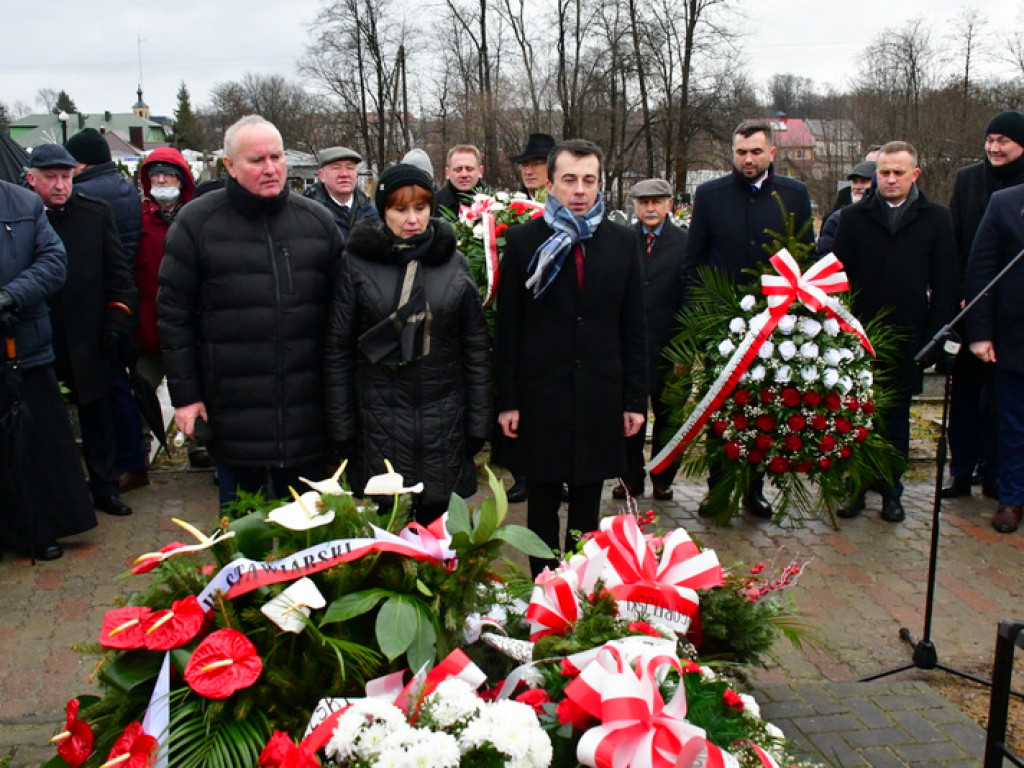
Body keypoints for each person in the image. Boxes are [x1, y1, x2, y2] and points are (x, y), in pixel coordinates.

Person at [158, 115, 345, 507]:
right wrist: (186, 397)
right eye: (256, 160)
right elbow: (174, 317)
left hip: (306, 413)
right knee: (243, 531)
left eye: (276, 156)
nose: (271, 168)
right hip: (233, 412)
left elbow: (341, 315)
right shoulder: (197, 224)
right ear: (229, 165)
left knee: (309, 531)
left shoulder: (317, 222)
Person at [495, 139, 646, 574]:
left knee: (587, 504)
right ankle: (544, 589)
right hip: (541, 394)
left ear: (600, 183)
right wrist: (508, 400)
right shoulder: (524, 241)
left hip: (599, 393)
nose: (580, 190)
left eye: (589, 180)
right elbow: (508, 327)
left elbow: (634, 326)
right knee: (542, 503)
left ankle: (579, 591)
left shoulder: (622, 242)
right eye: (569, 180)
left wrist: (634, 400)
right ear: (550, 184)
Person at [324, 164, 491, 524]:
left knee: (438, 539)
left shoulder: (454, 263)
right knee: (388, 538)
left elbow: (475, 347)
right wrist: (342, 425)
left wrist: (479, 419)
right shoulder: (356, 265)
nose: (412, 219)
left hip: (442, 423)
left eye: (421, 207)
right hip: (378, 424)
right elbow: (338, 350)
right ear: (383, 211)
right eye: (400, 209)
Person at [683, 119, 814, 519]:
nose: (748, 159)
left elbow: (804, 257)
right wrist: (700, 319)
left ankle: (754, 489)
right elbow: (694, 261)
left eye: (756, 151)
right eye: (741, 152)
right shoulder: (710, 195)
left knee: (762, 409)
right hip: (722, 323)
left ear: (772, 152)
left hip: (775, 324)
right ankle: (719, 488)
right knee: (721, 409)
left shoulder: (794, 194)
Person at [832, 141, 958, 522]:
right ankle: (854, 488)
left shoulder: (936, 219)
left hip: (908, 337)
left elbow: (946, 285)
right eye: (884, 172)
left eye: (898, 173)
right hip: (858, 338)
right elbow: (836, 279)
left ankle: (891, 491)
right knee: (855, 417)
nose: (890, 179)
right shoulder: (853, 218)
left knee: (897, 419)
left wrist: (933, 341)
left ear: (914, 174)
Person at [26, 144, 136, 518]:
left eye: (66, 177)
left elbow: (119, 276)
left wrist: (117, 320)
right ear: (32, 179)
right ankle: (58, 497)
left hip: (91, 335)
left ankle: (105, 487)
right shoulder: (21, 217)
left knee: (99, 419)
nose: (60, 186)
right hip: (43, 336)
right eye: (51, 178)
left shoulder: (95, 213)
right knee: (48, 424)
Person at [0, 174, 96, 560]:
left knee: (37, 444)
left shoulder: (23, 204)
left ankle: (41, 529)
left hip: (24, 347)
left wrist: (11, 296)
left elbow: (53, 261)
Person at [944, 111, 1024, 501]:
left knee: (1001, 402)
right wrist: (964, 294)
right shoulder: (968, 180)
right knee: (965, 394)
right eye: (989, 140)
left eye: (1003, 141)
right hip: (971, 304)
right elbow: (956, 243)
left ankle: (995, 474)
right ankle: (961, 470)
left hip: (1012, 315)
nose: (994, 147)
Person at [65, 127, 147, 493]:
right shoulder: (122, 188)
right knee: (119, 386)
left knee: (110, 389)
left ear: (80, 163)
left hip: (99, 304)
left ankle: (126, 463)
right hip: (122, 300)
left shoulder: (87, 196)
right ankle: (130, 460)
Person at [612, 177, 687, 502]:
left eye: (657, 202)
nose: (651, 208)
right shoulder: (623, 241)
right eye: (644, 203)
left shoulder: (685, 243)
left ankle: (663, 477)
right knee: (628, 414)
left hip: (671, 347)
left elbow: (691, 295)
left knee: (670, 416)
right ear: (635, 206)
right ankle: (630, 478)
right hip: (629, 346)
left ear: (669, 205)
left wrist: (686, 348)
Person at [964, 181, 1024, 533]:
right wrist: (980, 333)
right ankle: (1012, 498)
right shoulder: (1005, 203)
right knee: (1014, 425)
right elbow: (981, 273)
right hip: (1015, 337)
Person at [302, 146, 379, 243]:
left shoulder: (372, 213)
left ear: (357, 174)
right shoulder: (308, 214)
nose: (344, 174)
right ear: (322, 176)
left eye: (350, 168)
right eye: (336, 168)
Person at [816, 160, 875, 256]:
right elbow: (826, 255)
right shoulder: (838, 218)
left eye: (864, 182)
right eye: (855, 182)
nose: (858, 187)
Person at [435, 144, 489, 215]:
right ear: (447, 173)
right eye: (458, 169)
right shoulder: (433, 205)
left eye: (469, 169)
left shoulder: (497, 203)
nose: (464, 175)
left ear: (480, 171)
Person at [510, 133, 555, 200]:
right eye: (525, 165)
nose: (528, 172)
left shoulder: (567, 203)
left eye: (536, 164)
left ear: (552, 168)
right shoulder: (511, 204)